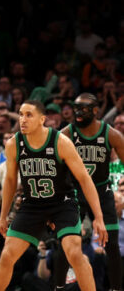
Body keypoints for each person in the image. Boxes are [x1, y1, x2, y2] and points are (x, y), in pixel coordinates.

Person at [0, 100, 108, 291]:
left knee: (75, 254)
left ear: (42, 119)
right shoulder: (13, 144)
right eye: (20, 114)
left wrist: (99, 218)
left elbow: (85, 180)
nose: (23, 119)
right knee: (7, 255)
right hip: (32, 205)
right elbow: (10, 182)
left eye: (29, 115)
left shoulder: (61, 142)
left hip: (62, 204)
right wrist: (3, 217)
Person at [53, 93, 124, 291]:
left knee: (111, 245)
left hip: (102, 190)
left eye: (83, 109)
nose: (78, 113)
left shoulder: (111, 134)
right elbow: (54, 168)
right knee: (66, 243)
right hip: (74, 191)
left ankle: (116, 288)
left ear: (95, 111)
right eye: (76, 108)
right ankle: (58, 287)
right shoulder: (66, 133)